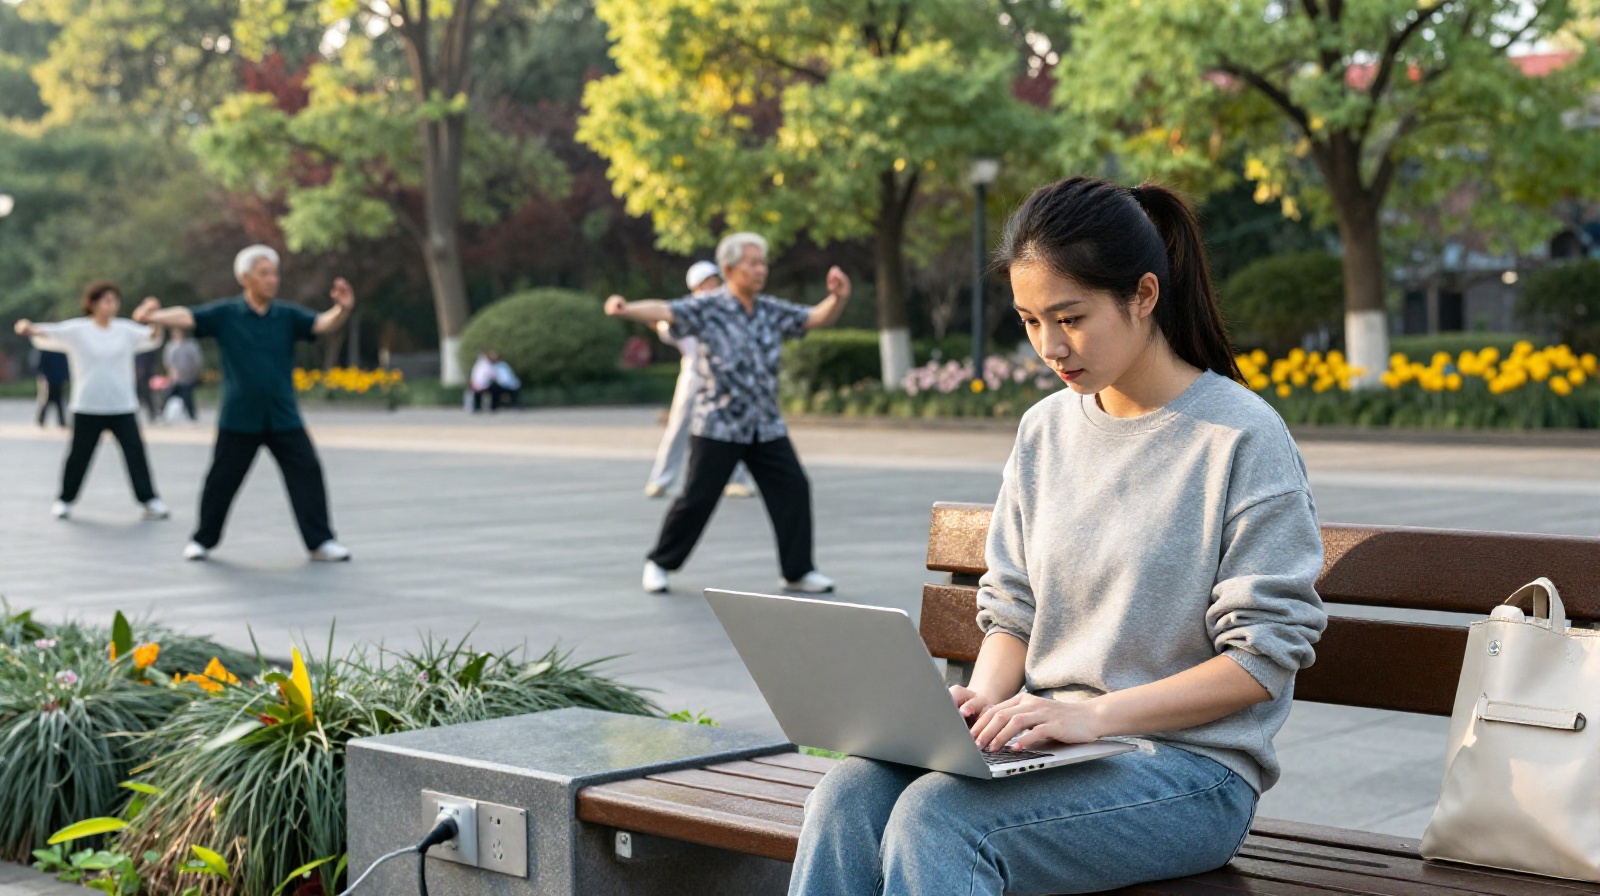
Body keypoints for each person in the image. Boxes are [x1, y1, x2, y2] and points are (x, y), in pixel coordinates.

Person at [787, 178, 1328, 896]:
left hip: (1188, 774)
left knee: (940, 821)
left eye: (1069, 318)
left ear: (1143, 296)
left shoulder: (1241, 436)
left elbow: (1261, 660)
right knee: (846, 797)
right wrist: (976, 710)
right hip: (1042, 747)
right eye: (1030, 320)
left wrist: (1091, 716)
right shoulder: (1045, 429)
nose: (1050, 346)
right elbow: (1012, 609)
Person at [605, 233, 850, 595]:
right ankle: (659, 562)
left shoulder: (769, 310)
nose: (760, 270)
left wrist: (837, 297)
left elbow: (814, 318)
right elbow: (665, 310)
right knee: (698, 499)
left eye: (763, 263)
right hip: (718, 425)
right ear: (729, 269)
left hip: (764, 425)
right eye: (752, 263)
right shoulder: (709, 307)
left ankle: (797, 570)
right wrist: (626, 309)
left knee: (794, 489)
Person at [132, 245, 354, 563]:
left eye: (274, 273)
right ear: (245, 278)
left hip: (283, 415)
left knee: (307, 473)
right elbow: (188, 316)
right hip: (239, 417)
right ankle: (202, 540)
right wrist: (154, 315)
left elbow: (321, 324)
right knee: (222, 480)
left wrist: (342, 309)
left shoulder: (287, 315)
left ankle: (321, 542)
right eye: (264, 273)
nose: (272, 280)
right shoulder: (227, 314)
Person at [14, 281, 170, 521]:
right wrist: (27, 327)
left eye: (115, 300)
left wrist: (155, 316)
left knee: (135, 453)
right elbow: (48, 332)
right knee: (79, 455)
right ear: (94, 304)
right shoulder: (79, 330)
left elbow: (152, 337)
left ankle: (149, 498)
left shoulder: (125, 330)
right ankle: (65, 499)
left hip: (122, 405)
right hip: (88, 406)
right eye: (107, 300)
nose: (112, 305)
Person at [644, 260, 755, 499]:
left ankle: (738, 479)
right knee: (679, 427)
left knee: (732, 428)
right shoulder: (686, 311)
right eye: (708, 283)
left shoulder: (727, 307)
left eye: (715, 281)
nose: (713, 286)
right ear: (696, 286)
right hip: (694, 376)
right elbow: (663, 325)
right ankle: (661, 480)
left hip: (724, 378)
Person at [163, 327, 203, 422]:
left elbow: (197, 361)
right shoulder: (171, 346)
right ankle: (164, 414)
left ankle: (192, 416)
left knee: (187, 396)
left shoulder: (191, 345)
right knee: (169, 395)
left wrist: (194, 372)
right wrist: (173, 373)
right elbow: (168, 362)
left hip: (188, 376)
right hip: (176, 377)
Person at [34, 347, 69, 428]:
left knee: (59, 400)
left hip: (58, 378)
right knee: (46, 399)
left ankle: (61, 421)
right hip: (47, 378)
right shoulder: (45, 348)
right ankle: (41, 420)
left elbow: (64, 364)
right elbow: (39, 364)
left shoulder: (60, 348)